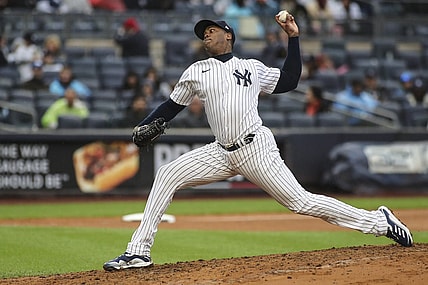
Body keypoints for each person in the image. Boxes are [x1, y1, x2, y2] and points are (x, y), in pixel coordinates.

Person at [103, 14, 413, 271]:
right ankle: (138, 251)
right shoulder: (196, 71)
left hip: (255, 148)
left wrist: (293, 38)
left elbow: (290, 80)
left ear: (229, 34)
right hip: (221, 152)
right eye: (203, 33)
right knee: (168, 173)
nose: (206, 35)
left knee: (301, 202)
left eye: (212, 30)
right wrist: (142, 127)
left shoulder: (251, 67)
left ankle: (378, 221)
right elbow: (171, 107)